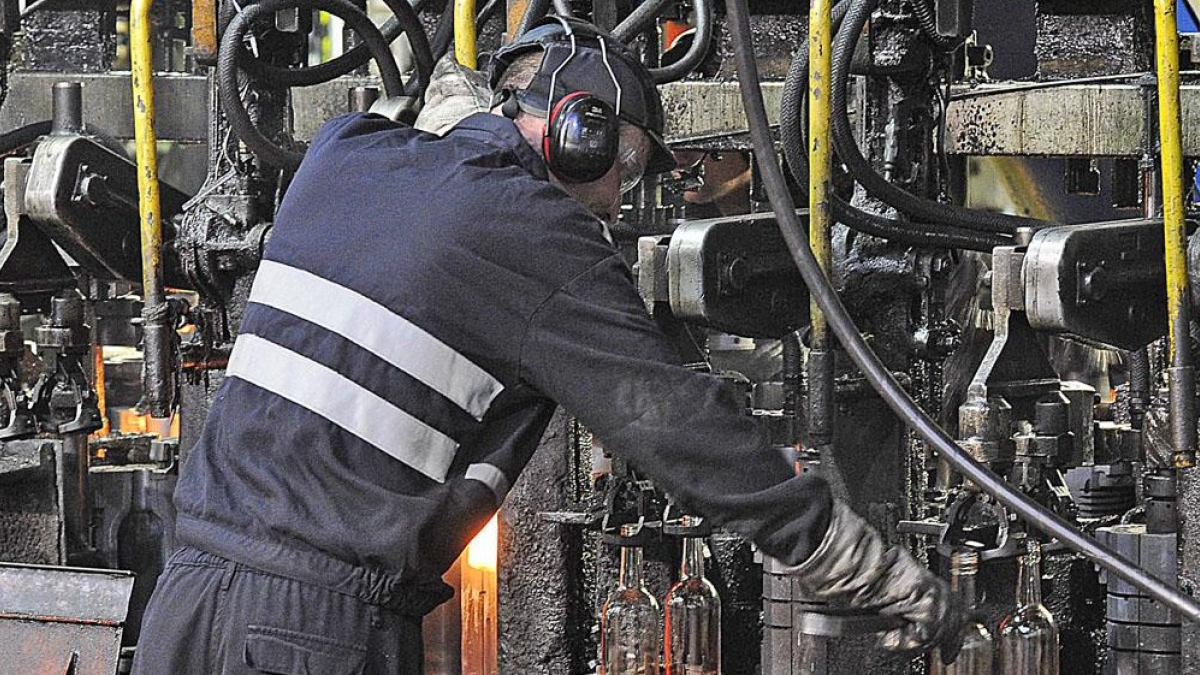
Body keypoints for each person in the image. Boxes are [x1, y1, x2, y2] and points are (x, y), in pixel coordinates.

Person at [131, 17, 952, 675]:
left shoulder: (343, 154)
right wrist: (856, 560)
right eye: (622, 166)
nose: (616, 202)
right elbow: (679, 428)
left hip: (188, 594)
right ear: (576, 130)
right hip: (312, 632)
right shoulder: (542, 238)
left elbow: (426, 200)